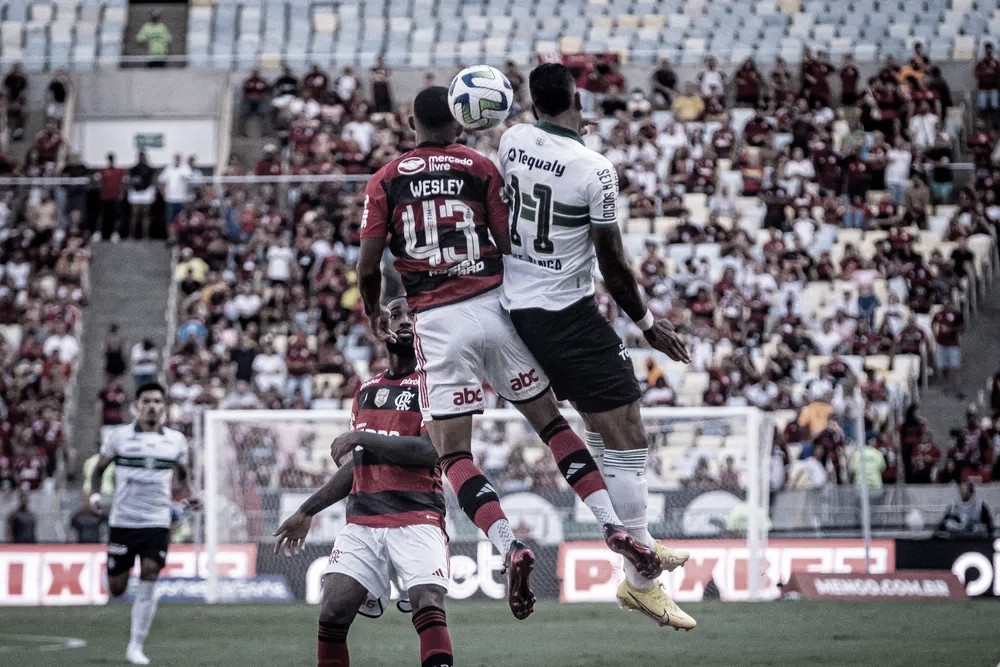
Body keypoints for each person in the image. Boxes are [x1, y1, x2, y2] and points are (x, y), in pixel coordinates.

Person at [357, 86, 661, 621]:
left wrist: (374, 309)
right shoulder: (480, 166)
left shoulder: (385, 180)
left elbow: (367, 264)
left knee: (452, 454)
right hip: (497, 310)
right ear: (460, 121)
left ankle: (509, 547)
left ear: (409, 123)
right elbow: (508, 238)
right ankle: (613, 525)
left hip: (436, 322)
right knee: (551, 424)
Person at [497, 63, 695, 630]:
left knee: (599, 424)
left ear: (533, 102)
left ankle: (641, 540)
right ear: (577, 98)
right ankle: (642, 580)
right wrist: (648, 322)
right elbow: (611, 261)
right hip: (565, 313)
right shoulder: (595, 170)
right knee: (627, 428)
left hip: (518, 304)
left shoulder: (511, 139)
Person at [274, 299, 454, 667]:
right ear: (380, 328)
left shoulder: (437, 384)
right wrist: (307, 510)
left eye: (412, 316)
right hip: (363, 522)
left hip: (417, 517)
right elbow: (358, 464)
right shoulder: (366, 391)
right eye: (396, 316)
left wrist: (362, 438)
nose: (404, 322)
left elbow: (429, 452)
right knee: (333, 611)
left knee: (428, 602)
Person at [89, 382, 198, 665]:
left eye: (158, 402)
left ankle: (135, 646)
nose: (153, 406)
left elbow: (182, 476)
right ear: (137, 405)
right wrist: (95, 495)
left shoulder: (175, 441)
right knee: (117, 588)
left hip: (157, 521)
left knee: (150, 572)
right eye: (147, 401)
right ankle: (115, 572)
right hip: (123, 521)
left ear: (164, 407)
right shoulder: (119, 437)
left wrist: (191, 497)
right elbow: (99, 470)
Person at [931, 297, 965, 398]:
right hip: (941, 344)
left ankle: (958, 388)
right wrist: (935, 333)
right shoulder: (938, 315)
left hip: (952, 344)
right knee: (943, 367)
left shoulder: (957, 314)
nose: (946, 306)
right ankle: (949, 385)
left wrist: (950, 330)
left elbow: (962, 328)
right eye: (944, 304)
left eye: (948, 304)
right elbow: (933, 324)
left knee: (955, 367)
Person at [157, 153, 191, 229]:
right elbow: (160, 181)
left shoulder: (185, 168)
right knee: (170, 220)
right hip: (170, 198)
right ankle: (171, 238)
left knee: (181, 219)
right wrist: (163, 193)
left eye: (178, 158)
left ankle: (179, 237)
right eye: (176, 158)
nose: (177, 160)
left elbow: (190, 178)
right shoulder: (168, 168)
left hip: (181, 198)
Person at [127, 152, 156, 240]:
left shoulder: (150, 169)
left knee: (146, 214)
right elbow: (129, 179)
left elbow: (153, 180)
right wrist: (133, 180)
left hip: (146, 191)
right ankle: (131, 235)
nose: (142, 159)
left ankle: (145, 235)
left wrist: (153, 192)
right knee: (135, 214)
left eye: (143, 157)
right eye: (140, 157)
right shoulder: (133, 169)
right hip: (135, 192)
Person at [98, 153, 126, 241]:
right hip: (105, 197)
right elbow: (98, 181)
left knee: (116, 216)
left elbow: (123, 183)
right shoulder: (103, 170)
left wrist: (122, 193)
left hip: (115, 196)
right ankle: (100, 233)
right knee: (102, 216)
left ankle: (115, 233)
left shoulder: (119, 171)